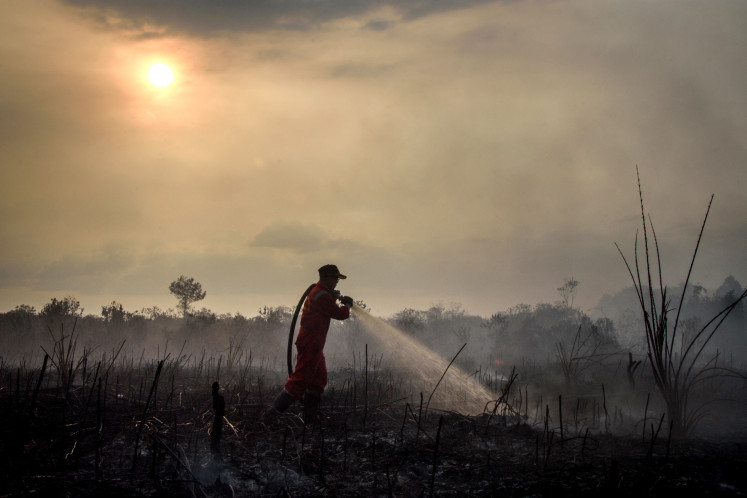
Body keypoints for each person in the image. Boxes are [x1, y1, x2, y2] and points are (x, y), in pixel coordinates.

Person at [264, 264, 354, 425]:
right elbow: (339, 314)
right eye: (335, 278)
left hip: (314, 344)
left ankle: (310, 420)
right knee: (299, 381)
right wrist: (346, 305)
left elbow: (325, 306)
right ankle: (270, 416)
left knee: (318, 380)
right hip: (311, 343)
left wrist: (334, 296)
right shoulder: (322, 296)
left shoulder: (320, 293)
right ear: (326, 277)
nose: (337, 282)